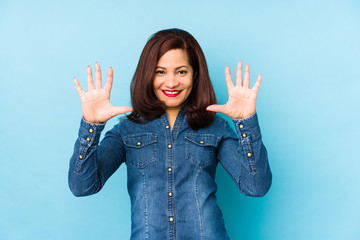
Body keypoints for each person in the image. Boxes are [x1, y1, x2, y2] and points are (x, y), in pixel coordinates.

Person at [69, 28, 272, 240]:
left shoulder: (216, 127)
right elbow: (82, 187)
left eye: (181, 71)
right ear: (148, 75)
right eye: (160, 71)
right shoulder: (126, 130)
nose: (172, 82)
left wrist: (246, 122)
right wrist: (91, 126)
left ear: (195, 74)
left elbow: (256, 187)